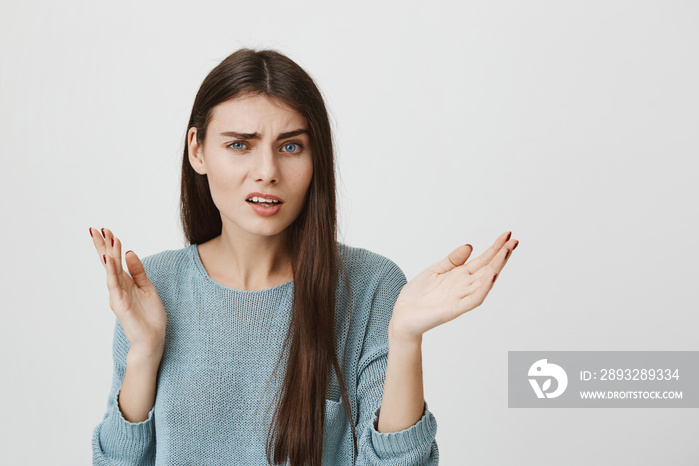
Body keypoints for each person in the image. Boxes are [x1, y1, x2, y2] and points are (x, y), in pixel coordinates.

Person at [90, 47, 518, 466]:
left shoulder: (370, 286)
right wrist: (144, 352)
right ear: (198, 150)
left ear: (316, 158)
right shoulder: (154, 286)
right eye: (240, 145)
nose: (267, 171)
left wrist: (405, 339)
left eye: (291, 147)